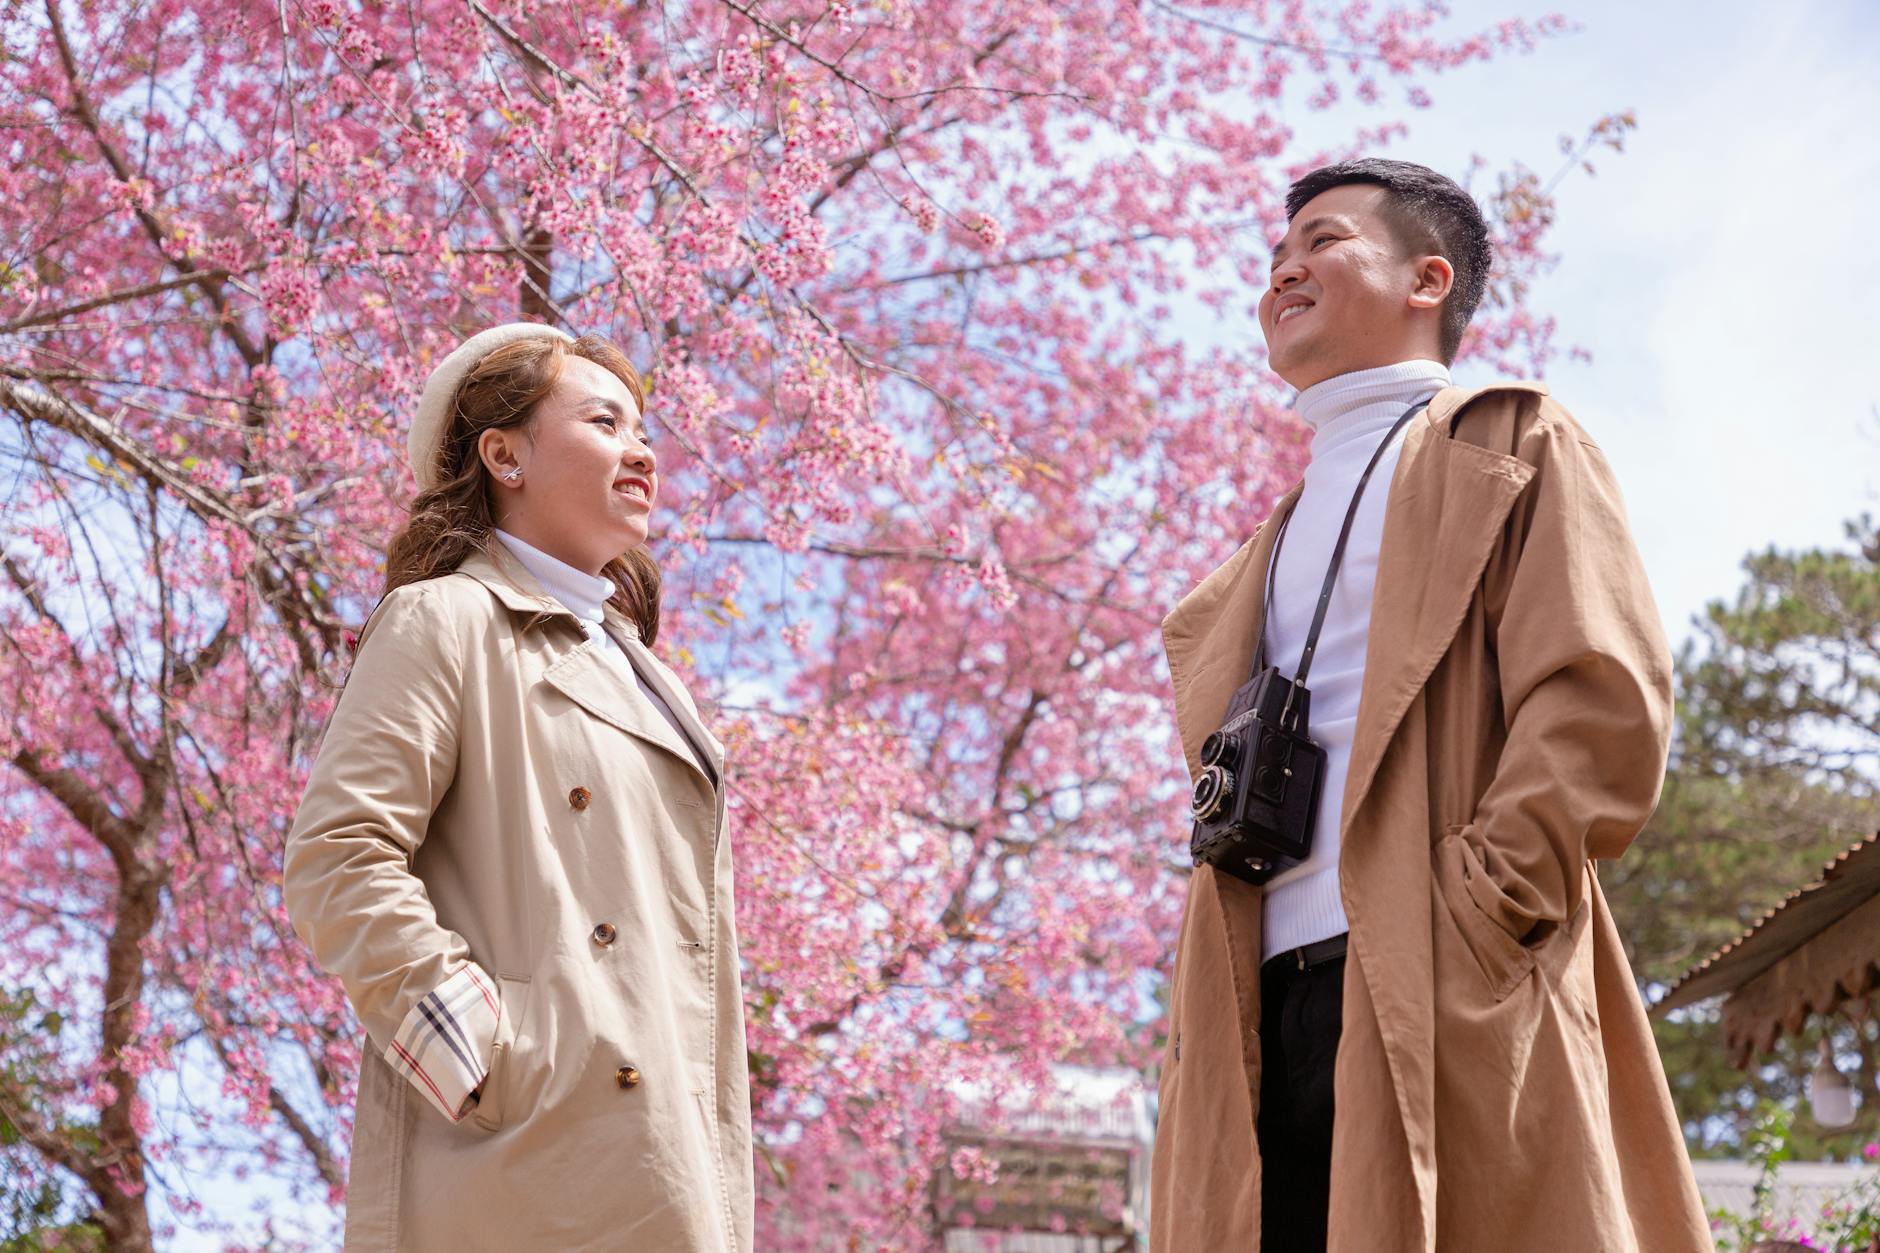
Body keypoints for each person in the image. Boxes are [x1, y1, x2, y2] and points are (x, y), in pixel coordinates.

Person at [1148, 161, 1711, 1251]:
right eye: (1274, 259)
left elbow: (1600, 694)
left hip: (1437, 967)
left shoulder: (1506, 441)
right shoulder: (1258, 549)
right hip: (1255, 1003)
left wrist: (1483, 908)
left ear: (1426, 278)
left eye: (1321, 241)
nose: (1284, 271)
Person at [284, 323, 753, 1251]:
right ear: (505, 455)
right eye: (604, 420)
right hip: (523, 1162)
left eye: (643, 426)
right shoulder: (444, 618)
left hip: (668, 1155)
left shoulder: (648, 678)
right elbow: (336, 857)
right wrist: (488, 1058)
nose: (642, 448)